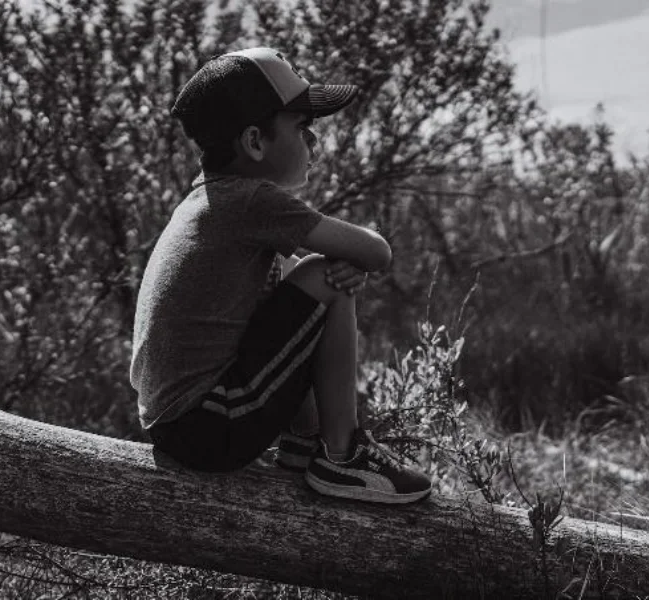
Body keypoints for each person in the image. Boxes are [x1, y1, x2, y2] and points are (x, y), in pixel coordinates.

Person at [130, 47, 432, 504]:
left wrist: (341, 270)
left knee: (310, 282)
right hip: (210, 426)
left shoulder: (209, 203)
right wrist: (345, 268)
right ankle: (341, 456)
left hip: (182, 424)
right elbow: (377, 250)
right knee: (323, 276)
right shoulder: (251, 200)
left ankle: (304, 446)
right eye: (302, 129)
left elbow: (289, 307)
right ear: (255, 142)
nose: (315, 143)